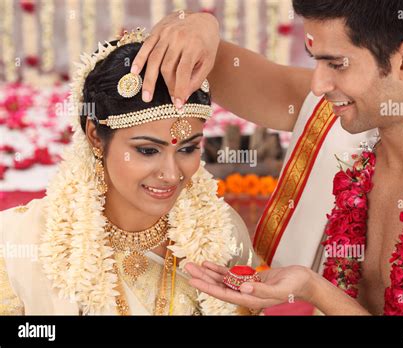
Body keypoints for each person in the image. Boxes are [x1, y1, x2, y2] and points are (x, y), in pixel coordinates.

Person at [134, 0, 403, 315]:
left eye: (336, 63)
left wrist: (315, 290)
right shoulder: (336, 116)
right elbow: (203, 62)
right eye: (316, 60)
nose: (318, 84)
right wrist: (198, 24)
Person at [0, 29, 257, 315]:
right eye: (148, 150)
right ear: (95, 136)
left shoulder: (224, 236)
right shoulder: (18, 243)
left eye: (187, 149)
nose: (172, 174)